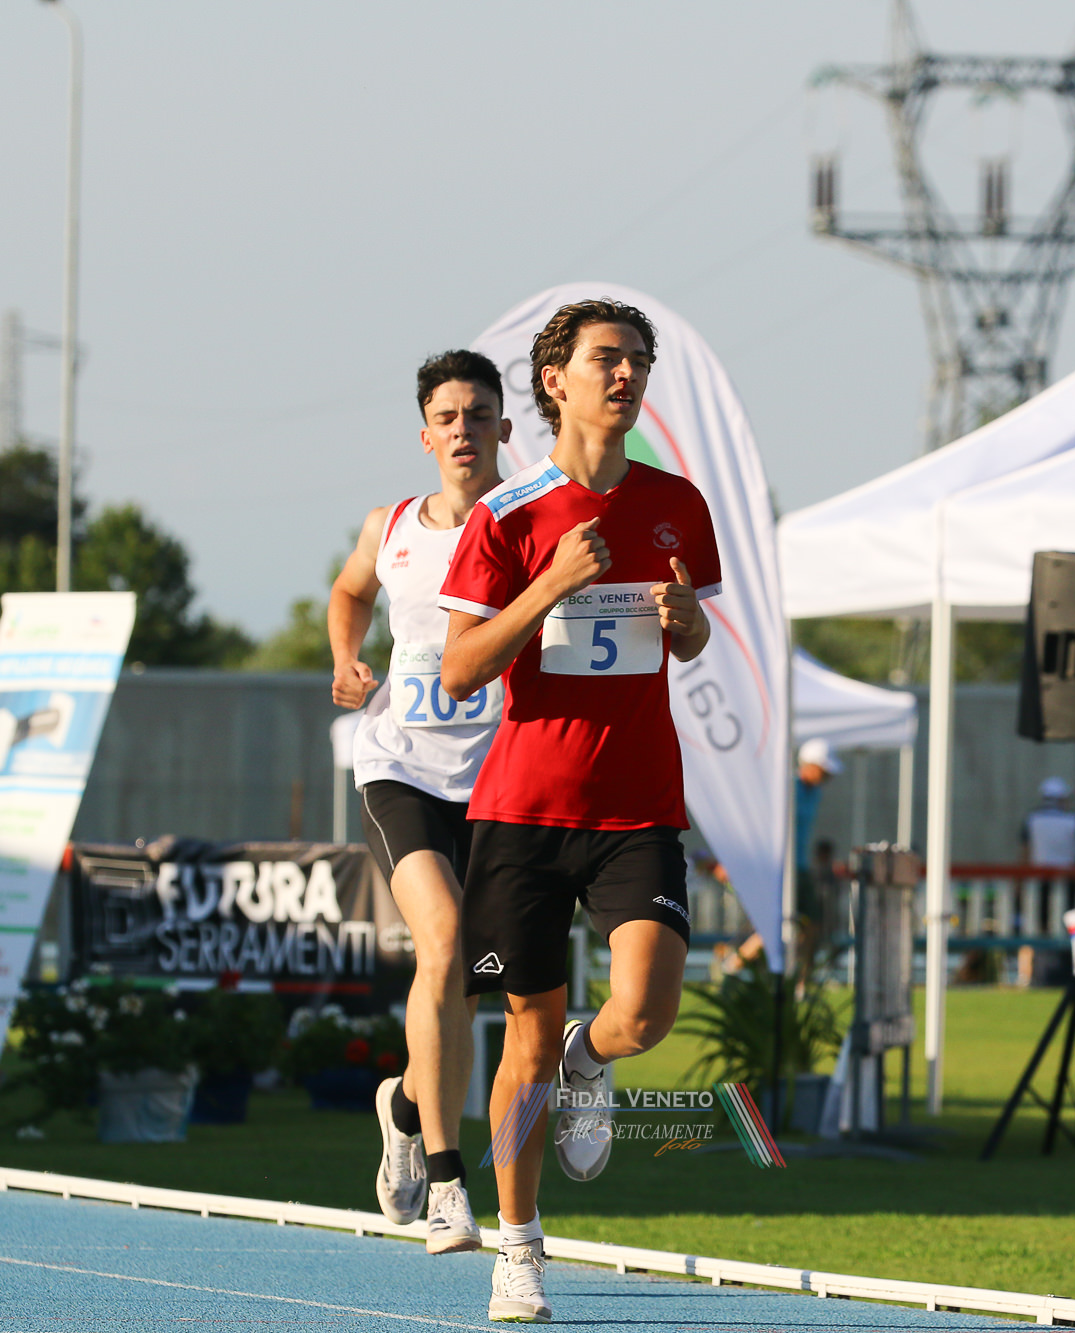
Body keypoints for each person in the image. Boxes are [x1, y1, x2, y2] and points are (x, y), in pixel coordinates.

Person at [437, 298, 720, 1323]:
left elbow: (688, 641)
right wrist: (548, 586)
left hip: (637, 808)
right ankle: (519, 1247)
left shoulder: (675, 503)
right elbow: (460, 669)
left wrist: (687, 625)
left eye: (639, 359)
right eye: (608, 357)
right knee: (522, 1035)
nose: (627, 374)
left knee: (644, 1011)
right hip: (521, 816)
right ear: (555, 381)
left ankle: (589, 1057)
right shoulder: (507, 515)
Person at [328, 349, 510, 1256]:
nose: (463, 430)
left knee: (463, 989)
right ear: (426, 435)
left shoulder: (530, 523)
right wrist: (344, 658)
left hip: (498, 778)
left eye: (478, 415)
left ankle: (404, 1103)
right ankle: (446, 1182)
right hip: (400, 766)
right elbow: (349, 589)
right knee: (440, 944)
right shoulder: (391, 523)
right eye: (447, 417)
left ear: (504, 428)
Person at [792, 737, 840, 930]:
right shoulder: (787, 787)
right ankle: (738, 953)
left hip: (800, 866)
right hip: (780, 868)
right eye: (823, 770)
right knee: (775, 924)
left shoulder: (815, 793)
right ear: (809, 765)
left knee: (811, 923)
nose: (828, 776)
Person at [1020, 776, 1075, 868]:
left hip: (1040, 871)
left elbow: (1025, 850)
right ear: (1061, 799)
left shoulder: (1031, 819)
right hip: (1068, 872)